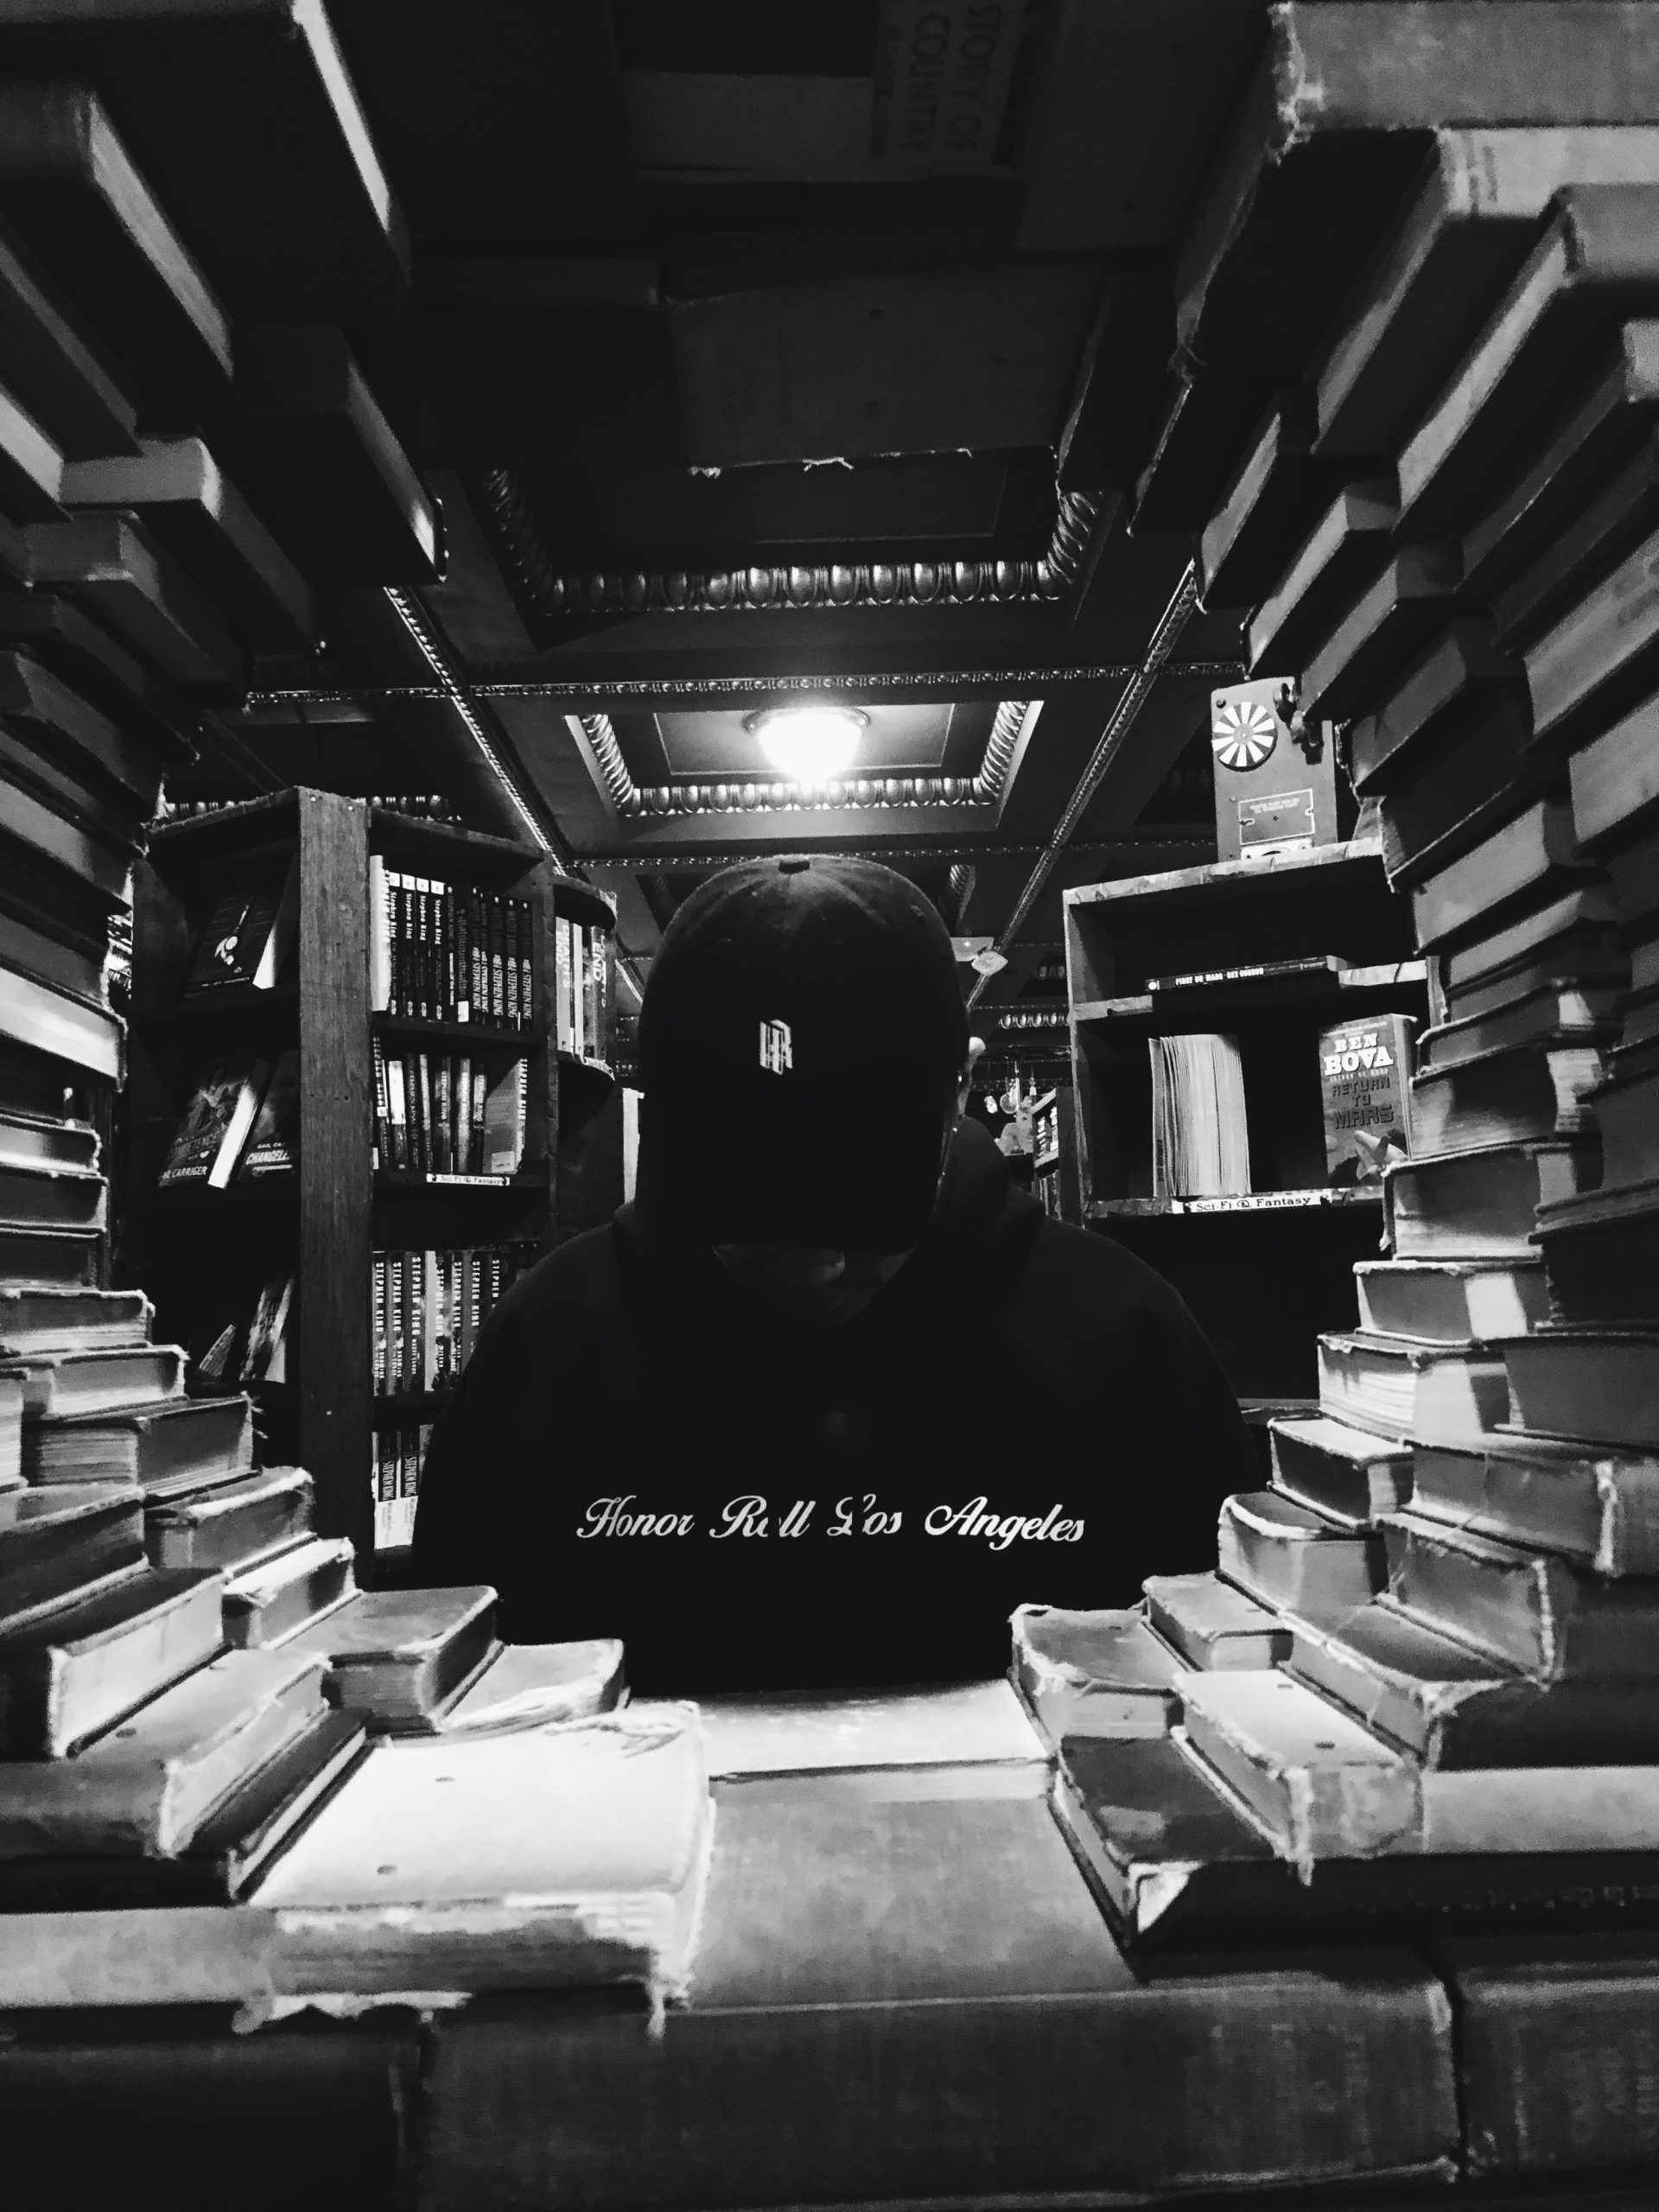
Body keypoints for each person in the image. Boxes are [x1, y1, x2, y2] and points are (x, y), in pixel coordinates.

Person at [411, 854, 1256, 1693]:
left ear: (963, 1081)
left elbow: (1226, 1672)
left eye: (858, 1216)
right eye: (741, 1215)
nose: (811, 1264)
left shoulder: (1125, 1339)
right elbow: (456, 1674)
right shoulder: (547, 1342)